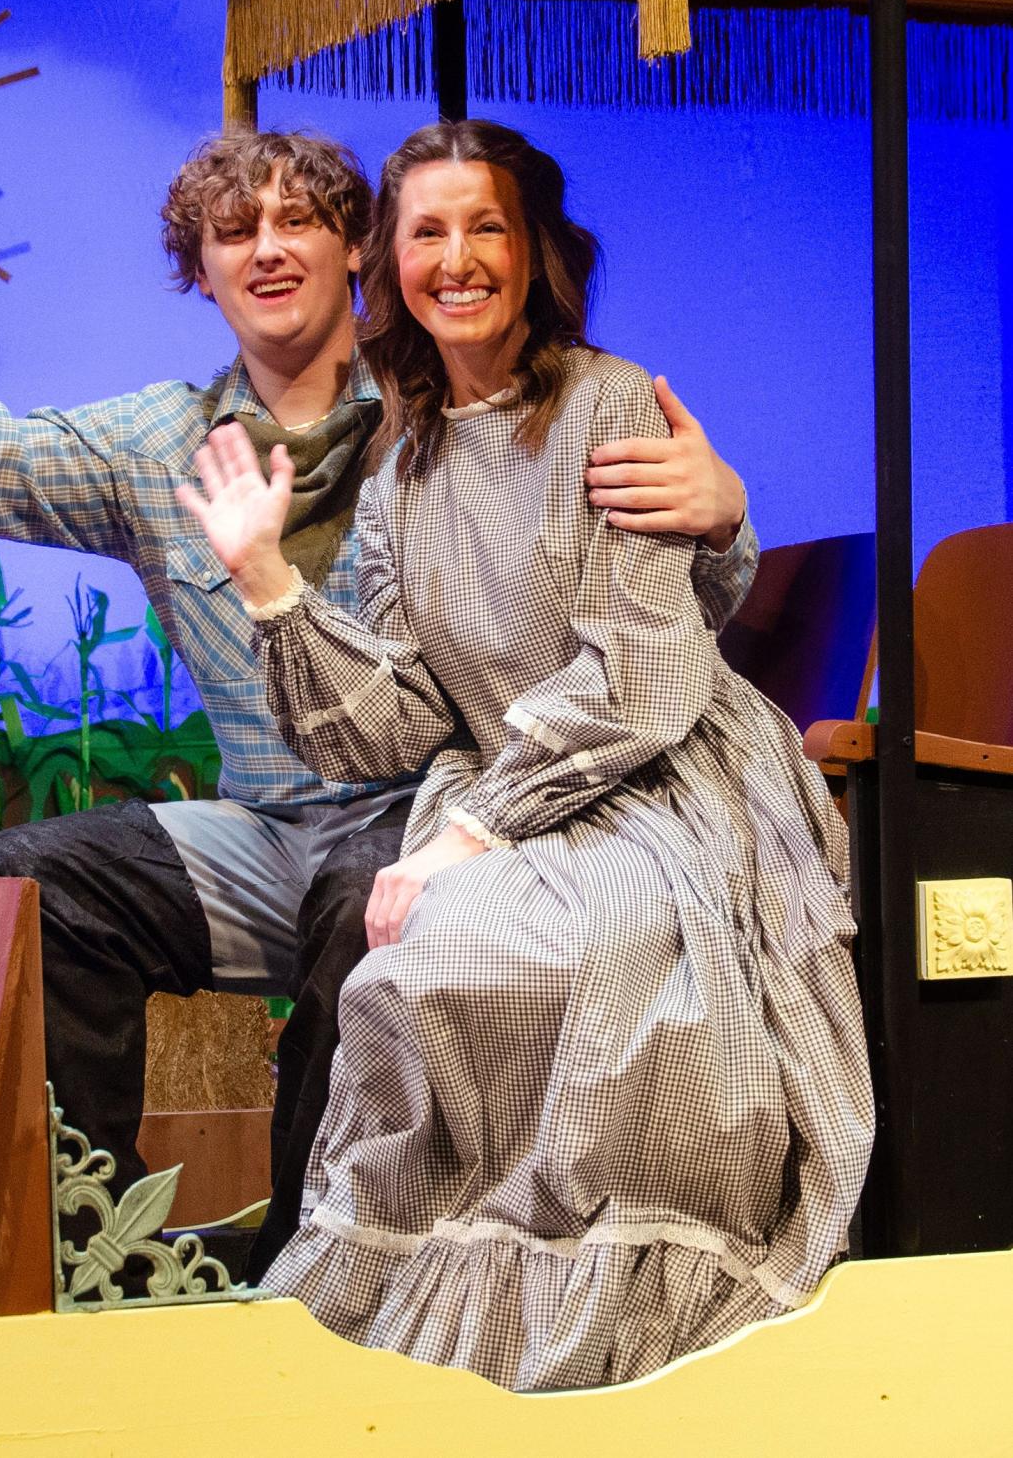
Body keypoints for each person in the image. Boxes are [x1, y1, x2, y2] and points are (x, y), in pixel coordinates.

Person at [0, 53, 757, 1282]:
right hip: (267, 823)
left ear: (356, 253)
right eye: (233, 231)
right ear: (203, 269)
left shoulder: (445, 400)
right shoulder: (157, 446)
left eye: (300, 221)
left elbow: (625, 597)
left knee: (363, 900)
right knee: (31, 877)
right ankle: (85, 1242)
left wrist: (722, 515)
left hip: (443, 815)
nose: (267, 248)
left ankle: (307, 1274)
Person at [182, 119, 874, 1388]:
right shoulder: (405, 464)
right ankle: (451, 1339)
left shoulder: (610, 405)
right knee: (427, 953)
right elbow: (392, 721)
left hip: (657, 778)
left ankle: (608, 1332)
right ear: (388, 267)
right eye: (426, 232)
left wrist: (470, 833)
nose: (456, 258)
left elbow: (640, 670)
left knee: (584, 947)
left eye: (484, 225)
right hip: (513, 790)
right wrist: (271, 581)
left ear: (534, 250)